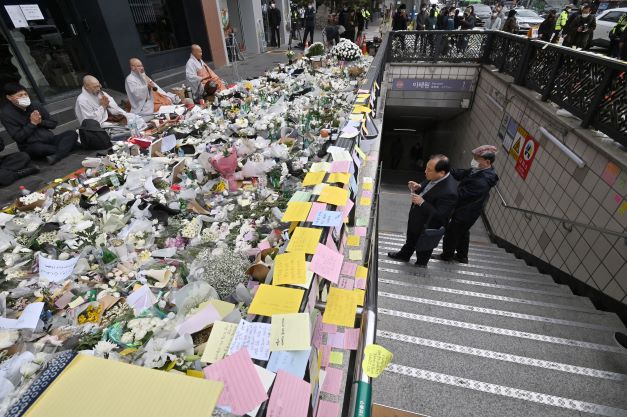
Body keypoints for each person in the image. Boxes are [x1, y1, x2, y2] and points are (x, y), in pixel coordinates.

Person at [387, 155, 459, 267]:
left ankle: (420, 266)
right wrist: (419, 186)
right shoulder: (436, 176)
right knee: (411, 239)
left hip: (428, 225)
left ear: (441, 173)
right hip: (417, 219)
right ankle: (404, 255)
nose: (425, 172)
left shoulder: (450, 192)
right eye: (426, 168)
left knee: (424, 249)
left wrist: (422, 203)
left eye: (429, 170)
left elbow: (440, 216)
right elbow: (429, 183)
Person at [437, 145, 499, 264]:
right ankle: (462, 256)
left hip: (466, 212)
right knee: (463, 232)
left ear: (487, 162)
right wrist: (446, 168)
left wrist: (443, 192)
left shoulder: (482, 181)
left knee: (451, 233)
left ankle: (446, 255)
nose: (473, 160)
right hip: (468, 211)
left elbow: (460, 195)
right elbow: (462, 173)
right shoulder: (479, 170)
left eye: (477, 158)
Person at [2, 83, 78, 165]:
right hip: (32, 146)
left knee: (72, 133)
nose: (24, 97)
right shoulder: (6, 114)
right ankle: (67, 148)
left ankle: (57, 155)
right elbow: (18, 137)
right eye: (20, 95)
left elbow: (53, 124)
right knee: (41, 149)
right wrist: (32, 124)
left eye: (25, 94)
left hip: (50, 140)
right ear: (9, 97)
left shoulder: (35, 105)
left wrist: (40, 122)